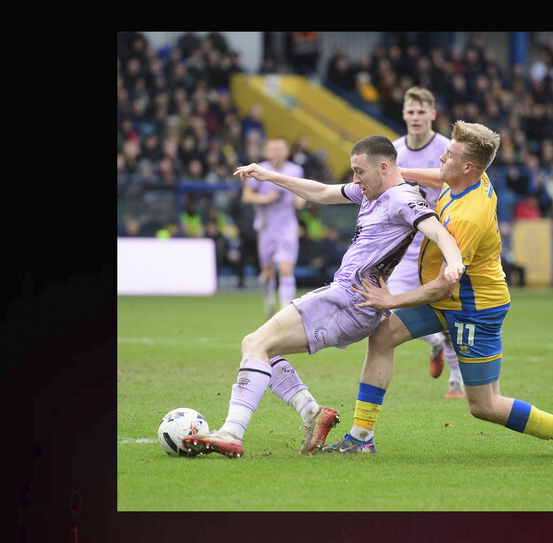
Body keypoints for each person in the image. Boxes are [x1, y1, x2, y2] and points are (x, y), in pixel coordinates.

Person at [323, 121, 553, 457]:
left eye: (448, 154)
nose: (440, 158)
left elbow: (442, 286)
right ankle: (361, 437)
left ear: (467, 166)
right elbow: (439, 179)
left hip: (473, 308)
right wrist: (398, 171)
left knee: (485, 406)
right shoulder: (467, 178)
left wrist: (390, 299)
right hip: (450, 300)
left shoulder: (469, 217)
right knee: (381, 335)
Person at [182, 135, 465, 458]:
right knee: (262, 349)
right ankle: (314, 414)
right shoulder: (371, 192)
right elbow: (321, 191)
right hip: (345, 298)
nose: (355, 180)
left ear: (384, 167)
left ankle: (232, 433)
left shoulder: (402, 198)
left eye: (360, 171)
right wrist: (268, 174)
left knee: (255, 344)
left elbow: (438, 231)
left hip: (348, 301)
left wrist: (454, 262)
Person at [388, 86, 464, 399]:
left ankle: (457, 381)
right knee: (383, 312)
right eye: (411, 111)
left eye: (422, 112)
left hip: (440, 244)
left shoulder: (447, 149)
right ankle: (432, 341)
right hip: (404, 247)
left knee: (448, 314)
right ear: (404, 114)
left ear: (433, 114)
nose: (416, 117)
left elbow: (455, 183)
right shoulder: (392, 151)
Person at [242, 138, 307, 317]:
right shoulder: (258, 169)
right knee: (267, 272)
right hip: (266, 226)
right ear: (266, 152)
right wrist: (265, 199)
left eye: (280, 149)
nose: (277, 152)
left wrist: (300, 200)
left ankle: (286, 311)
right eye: (273, 149)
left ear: (287, 152)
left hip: (287, 226)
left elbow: (302, 191)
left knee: (286, 268)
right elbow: (247, 196)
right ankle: (269, 300)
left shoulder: (295, 170)